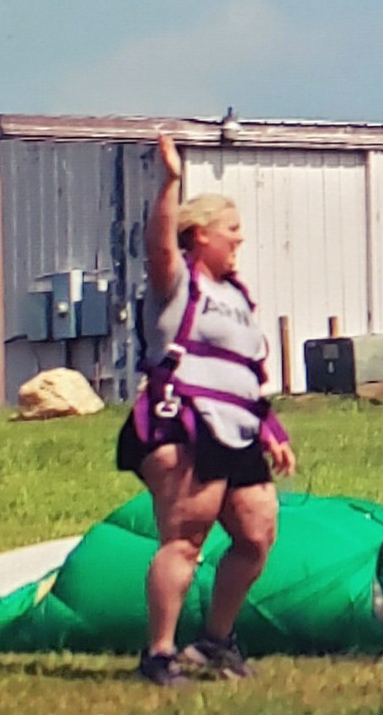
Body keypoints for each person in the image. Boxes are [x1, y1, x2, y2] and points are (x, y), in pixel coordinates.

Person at [116, 133, 296, 686]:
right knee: (185, 538)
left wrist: (271, 428)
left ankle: (213, 643)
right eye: (231, 230)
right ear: (200, 235)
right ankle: (160, 655)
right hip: (183, 422)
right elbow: (159, 246)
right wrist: (169, 182)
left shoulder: (237, 296)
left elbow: (245, 370)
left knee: (257, 532)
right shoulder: (178, 283)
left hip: (240, 427)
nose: (240, 239)